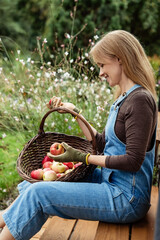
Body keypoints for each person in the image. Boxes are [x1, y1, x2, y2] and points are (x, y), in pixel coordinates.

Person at [0, 30, 158, 240]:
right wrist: (76, 114)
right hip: (108, 184)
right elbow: (102, 143)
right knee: (34, 185)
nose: (100, 72)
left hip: (125, 198)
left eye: (102, 65)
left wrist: (82, 157)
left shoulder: (139, 100)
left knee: (39, 194)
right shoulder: (125, 97)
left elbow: (133, 161)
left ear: (120, 58)